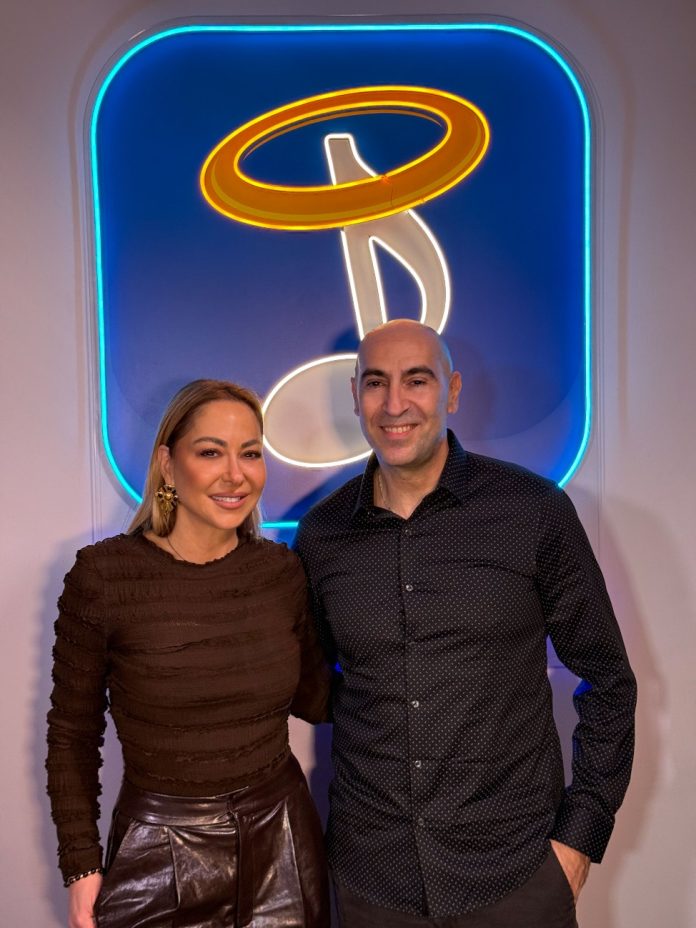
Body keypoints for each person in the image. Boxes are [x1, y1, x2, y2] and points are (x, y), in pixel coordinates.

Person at [294, 320, 637, 928]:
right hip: (373, 879)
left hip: (515, 873)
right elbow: (313, 680)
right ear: (354, 395)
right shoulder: (322, 534)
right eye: (376, 383)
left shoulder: (532, 511)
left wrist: (578, 839)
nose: (394, 404)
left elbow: (609, 679)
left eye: (416, 380)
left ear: (451, 392)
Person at [47, 379, 331, 928]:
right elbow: (72, 735)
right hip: (157, 850)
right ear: (168, 466)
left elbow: (317, 699)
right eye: (210, 452)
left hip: (282, 844)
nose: (236, 474)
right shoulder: (104, 577)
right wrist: (81, 866)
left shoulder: (280, 572)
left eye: (251, 453)